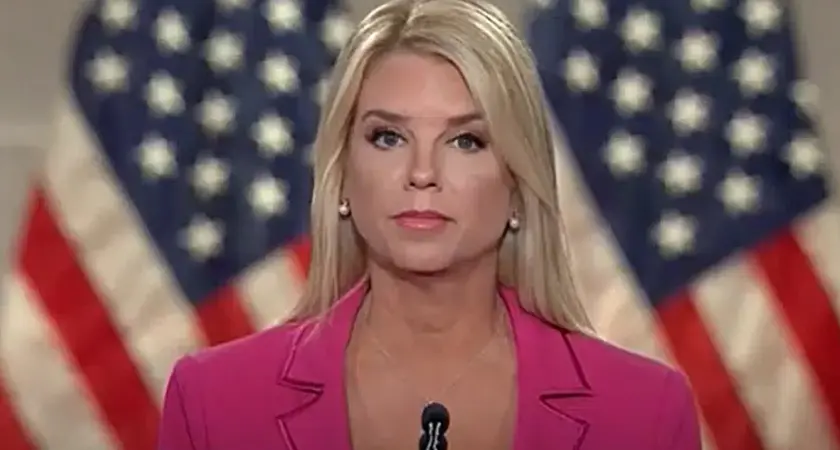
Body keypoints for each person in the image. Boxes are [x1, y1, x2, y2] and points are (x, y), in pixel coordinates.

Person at [157, 0, 702, 448]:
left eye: (466, 140)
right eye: (388, 137)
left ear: (518, 182)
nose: (422, 173)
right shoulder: (213, 403)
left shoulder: (643, 414)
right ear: (342, 177)